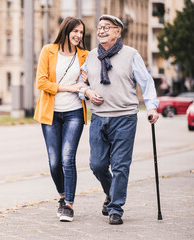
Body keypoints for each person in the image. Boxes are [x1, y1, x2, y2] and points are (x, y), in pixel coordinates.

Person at [79, 15, 159, 225]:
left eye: (107, 27)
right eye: (99, 27)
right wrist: (87, 92)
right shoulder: (92, 56)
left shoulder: (131, 54)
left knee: (121, 165)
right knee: (97, 164)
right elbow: (80, 84)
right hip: (98, 118)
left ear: (117, 31)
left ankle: (115, 209)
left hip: (124, 117)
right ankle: (111, 192)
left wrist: (151, 107)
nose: (101, 31)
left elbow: (146, 82)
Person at [33, 16, 88, 222]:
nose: (78, 35)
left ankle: (69, 205)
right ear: (66, 31)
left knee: (67, 158)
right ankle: (62, 197)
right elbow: (41, 82)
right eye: (75, 31)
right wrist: (69, 87)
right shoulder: (48, 50)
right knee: (54, 161)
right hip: (51, 113)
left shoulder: (84, 55)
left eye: (81, 32)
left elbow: (90, 82)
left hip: (74, 112)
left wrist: (87, 82)